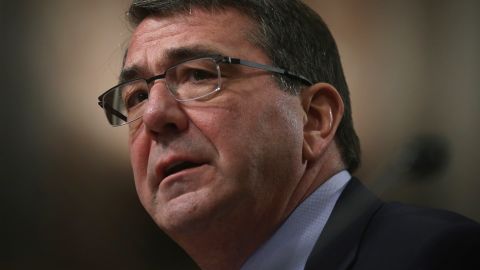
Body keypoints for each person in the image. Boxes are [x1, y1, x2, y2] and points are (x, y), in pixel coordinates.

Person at [97, 0, 480, 269]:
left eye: (199, 74)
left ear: (314, 119)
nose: (154, 114)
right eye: (137, 96)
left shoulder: (435, 256)